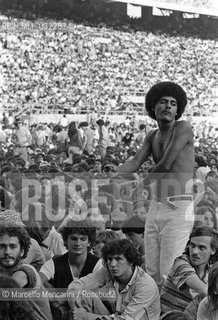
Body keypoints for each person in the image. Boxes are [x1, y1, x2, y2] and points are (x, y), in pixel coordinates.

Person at [116, 82, 195, 288]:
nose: (168, 106)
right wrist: (112, 172)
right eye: (163, 102)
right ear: (153, 107)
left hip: (179, 207)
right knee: (152, 272)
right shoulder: (152, 135)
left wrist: (141, 186)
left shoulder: (183, 127)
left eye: (173, 103)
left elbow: (166, 164)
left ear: (179, 110)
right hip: (156, 206)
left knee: (169, 271)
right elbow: (134, 163)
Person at [67, 239, 160, 320]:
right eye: (110, 259)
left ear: (131, 261)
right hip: (114, 316)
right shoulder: (108, 271)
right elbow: (77, 285)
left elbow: (126, 319)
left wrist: (86, 317)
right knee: (84, 295)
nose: (112, 264)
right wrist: (77, 310)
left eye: (118, 259)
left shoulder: (145, 285)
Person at [0, 222, 52, 320]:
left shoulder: (25, 272)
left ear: (22, 251)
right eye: (2, 246)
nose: (7, 252)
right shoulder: (5, 272)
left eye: (12, 246)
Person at [161, 226, 218, 314]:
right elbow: (204, 291)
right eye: (192, 245)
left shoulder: (212, 270)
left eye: (201, 248)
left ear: (213, 250)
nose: (195, 252)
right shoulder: (180, 263)